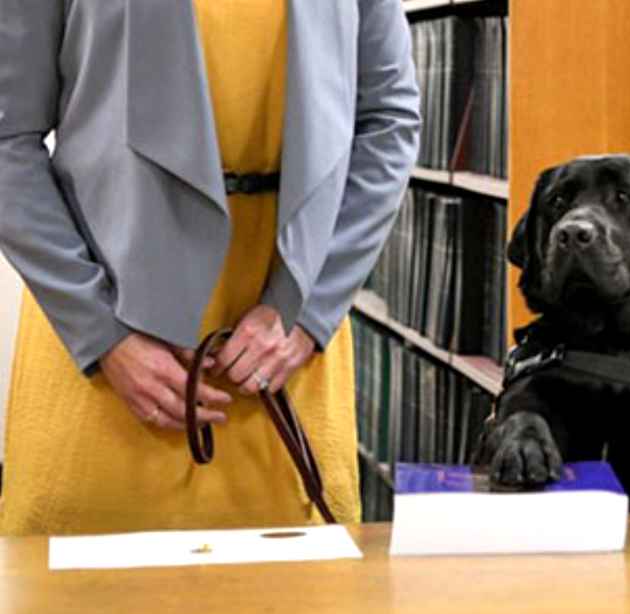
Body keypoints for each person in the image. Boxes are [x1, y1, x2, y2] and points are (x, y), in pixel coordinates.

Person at [0, 0, 420, 534]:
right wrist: (102, 335)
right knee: (86, 606)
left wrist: (308, 315)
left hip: (283, 346)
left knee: (297, 605)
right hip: (106, 342)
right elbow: (8, 140)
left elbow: (389, 119)